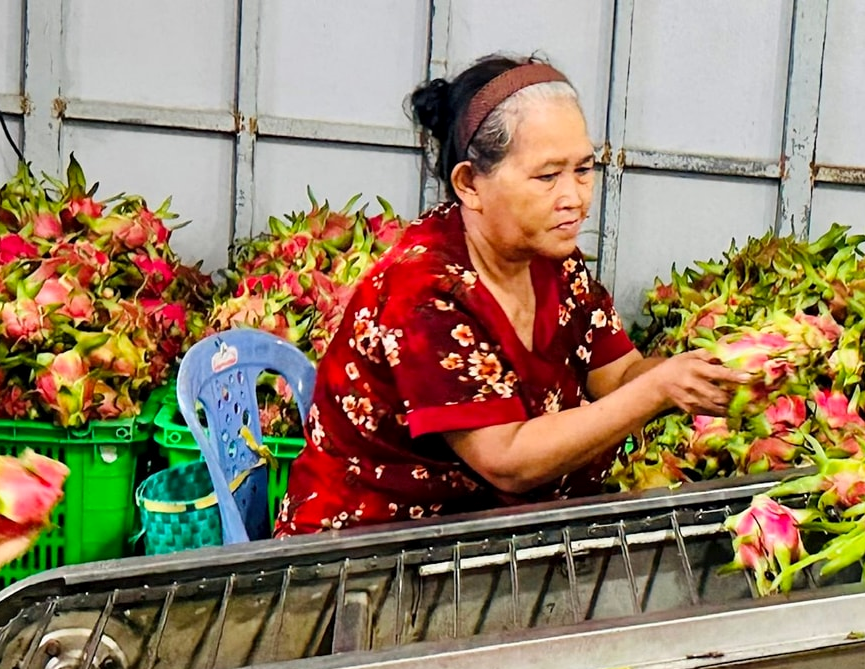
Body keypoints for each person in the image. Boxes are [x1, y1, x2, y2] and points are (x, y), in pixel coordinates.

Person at [277, 55, 746, 534]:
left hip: (493, 537)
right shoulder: (424, 293)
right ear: (470, 184)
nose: (575, 197)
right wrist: (658, 389)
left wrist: (704, 373)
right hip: (370, 552)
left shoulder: (554, 261)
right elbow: (507, 460)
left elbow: (619, 373)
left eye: (584, 169)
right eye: (547, 176)